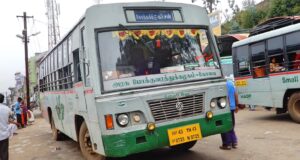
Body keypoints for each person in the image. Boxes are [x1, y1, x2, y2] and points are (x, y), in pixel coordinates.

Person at [220, 79, 239, 150]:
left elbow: (225, 96)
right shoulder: (231, 83)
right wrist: (237, 105)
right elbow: (235, 94)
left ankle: (227, 144)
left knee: (224, 126)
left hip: (224, 108)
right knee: (231, 125)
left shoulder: (221, 84)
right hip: (232, 107)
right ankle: (234, 142)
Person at [0, 93, 18, 160]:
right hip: (4, 135)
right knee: (4, 154)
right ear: (3, 100)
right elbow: (12, 118)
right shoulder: (6, 108)